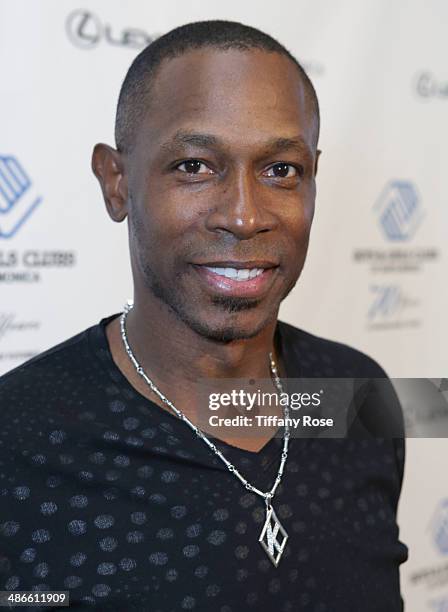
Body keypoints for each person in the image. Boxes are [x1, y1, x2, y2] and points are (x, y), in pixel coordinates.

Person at [0, 20, 408, 611]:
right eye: (195, 166)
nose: (244, 216)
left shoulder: (361, 394)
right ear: (115, 183)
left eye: (281, 170)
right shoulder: (18, 437)